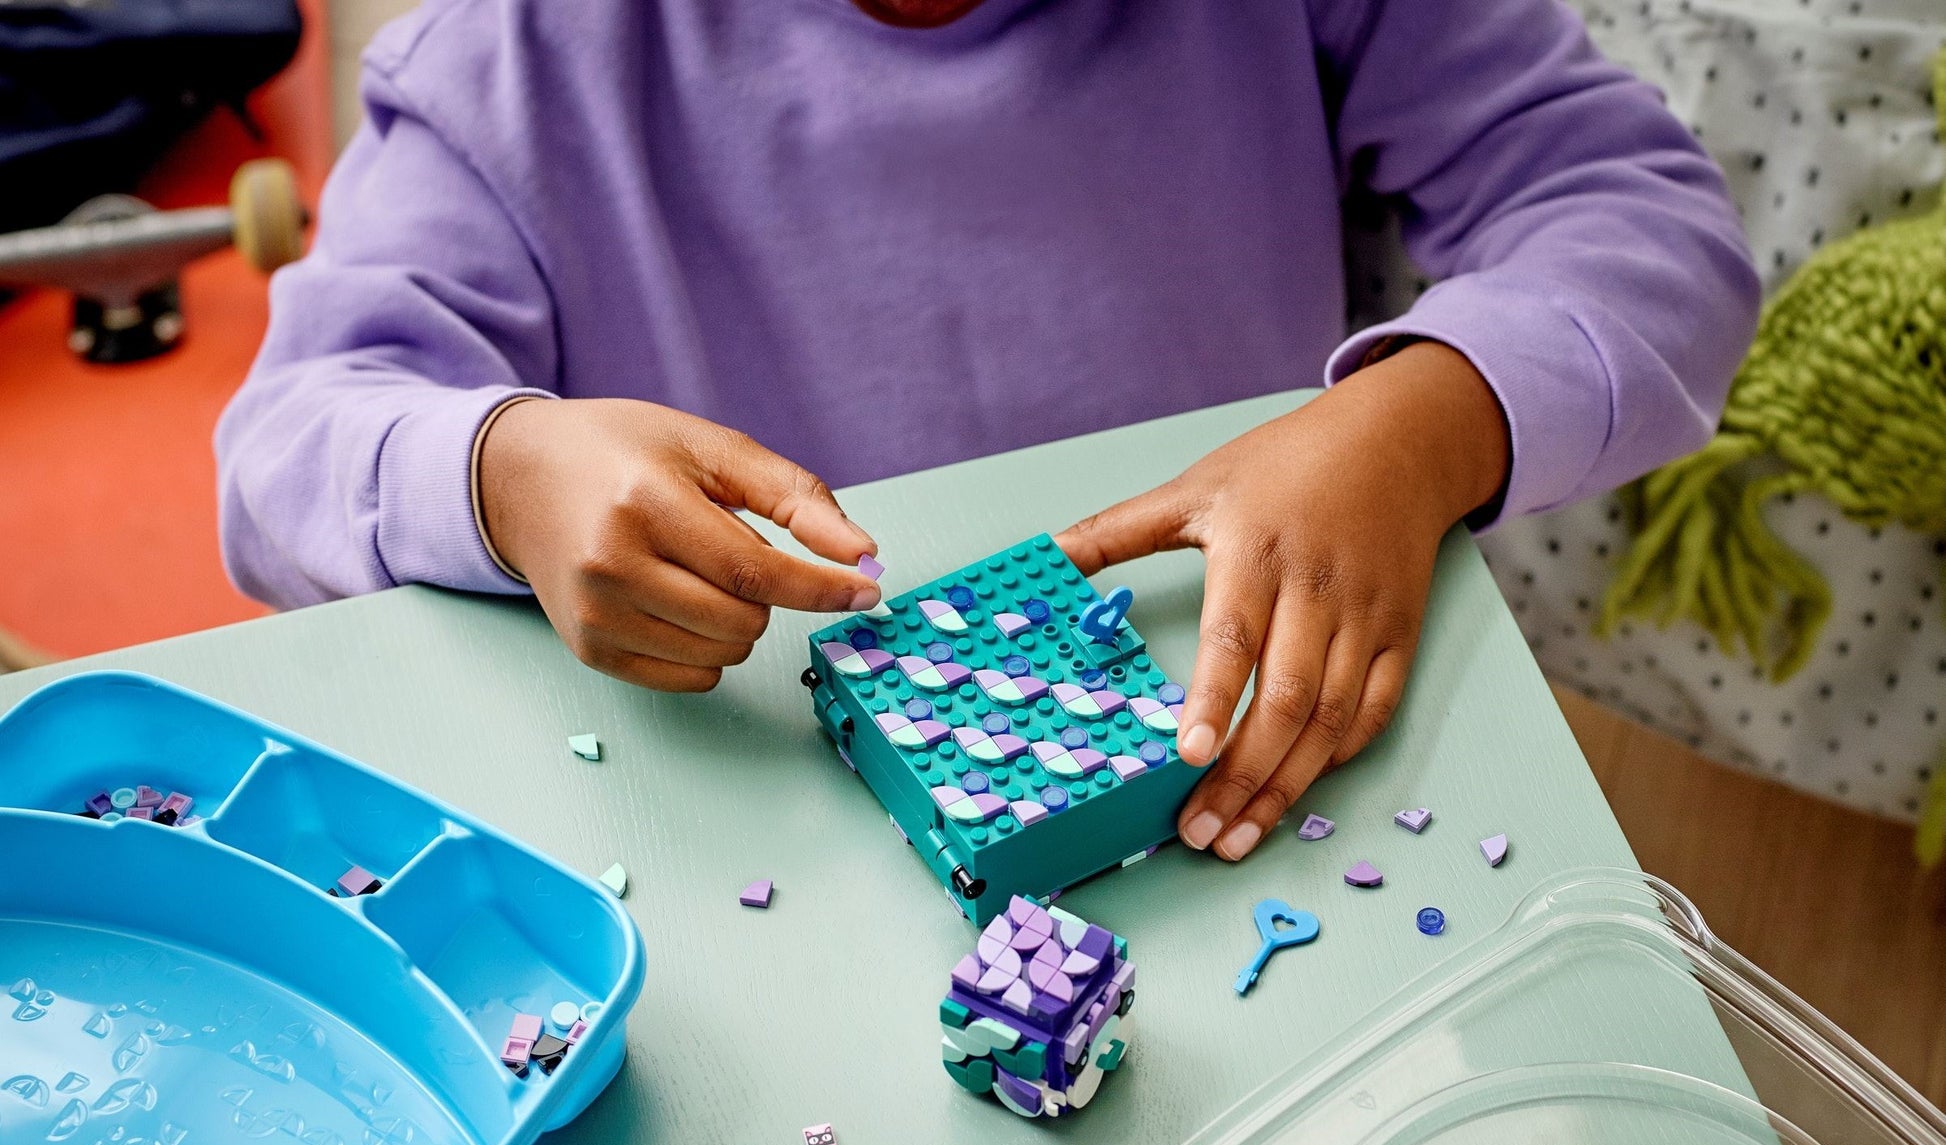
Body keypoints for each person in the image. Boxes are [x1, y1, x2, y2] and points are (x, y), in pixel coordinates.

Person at [216, 0, 1759, 862]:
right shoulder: (507, 69)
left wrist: (1421, 423)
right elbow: (289, 447)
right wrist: (498, 472)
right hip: (760, 842)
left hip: (1279, 766)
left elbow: (1647, 228)